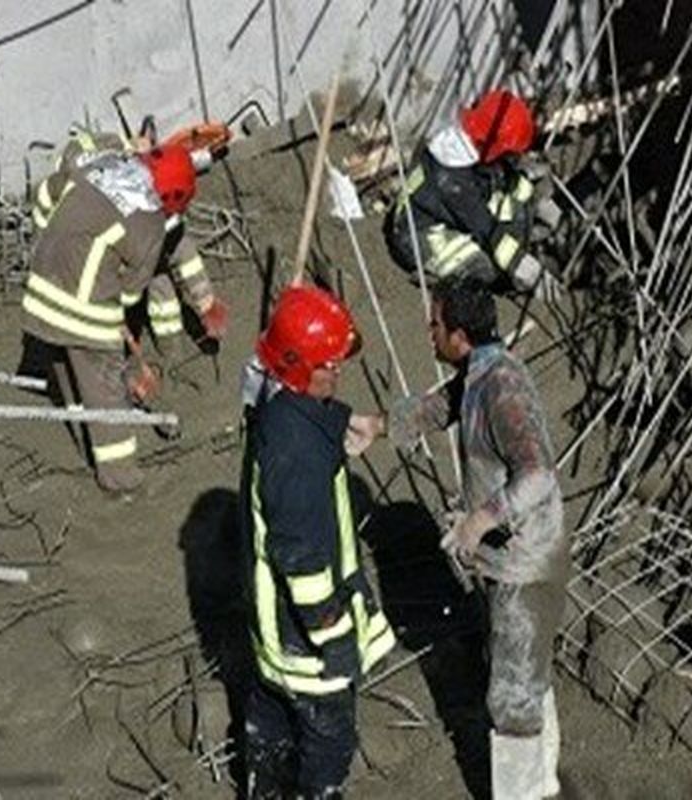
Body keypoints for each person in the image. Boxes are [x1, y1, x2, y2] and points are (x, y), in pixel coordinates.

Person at [386, 275, 568, 799]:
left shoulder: (501, 388)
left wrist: (478, 520)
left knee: (511, 697)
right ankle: (542, 781)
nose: (430, 333)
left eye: (435, 324)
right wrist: (375, 425)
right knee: (525, 673)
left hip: (525, 561)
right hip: (511, 558)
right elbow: (439, 407)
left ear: (459, 334)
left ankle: (522, 794)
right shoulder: (479, 372)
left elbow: (538, 475)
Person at [239, 284, 396, 799]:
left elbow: (310, 413)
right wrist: (332, 636)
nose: (339, 370)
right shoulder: (297, 457)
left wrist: (352, 422)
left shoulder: (279, 412)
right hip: (304, 648)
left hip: (273, 640)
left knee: (270, 734)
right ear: (302, 368)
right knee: (327, 748)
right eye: (330, 364)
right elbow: (302, 563)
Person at [18, 131, 229, 494]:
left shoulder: (102, 167)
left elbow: (44, 194)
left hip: (39, 291)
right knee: (106, 390)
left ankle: (82, 432)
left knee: (66, 366)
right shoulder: (149, 226)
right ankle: (122, 480)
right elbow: (131, 294)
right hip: (82, 308)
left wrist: (47, 238)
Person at [384, 89, 551, 293]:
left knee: (510, 193)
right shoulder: (455, 182)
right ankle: (440, 281)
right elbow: (485, 228)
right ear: (495, 147)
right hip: (417, 235)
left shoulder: (461, 145)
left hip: (437, 215)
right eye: (508, 153)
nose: (512, 158)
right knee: (485, 268)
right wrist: (520, 264)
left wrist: (537, 207)